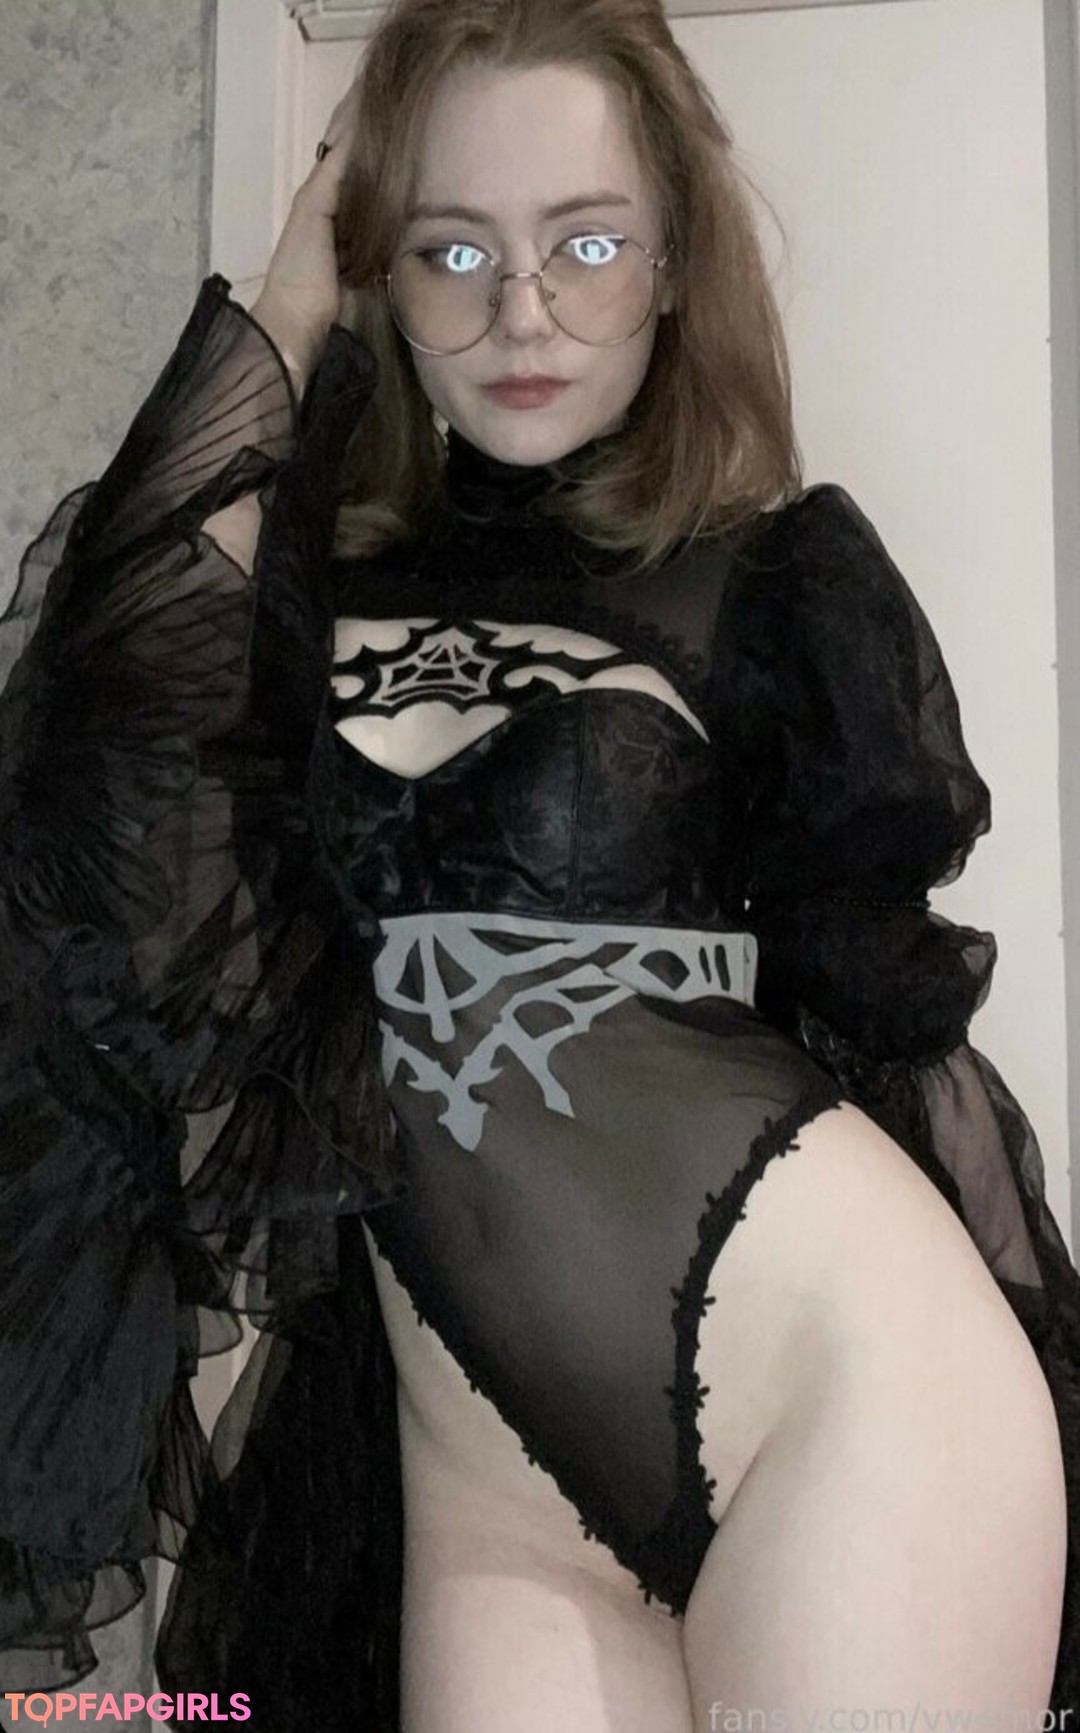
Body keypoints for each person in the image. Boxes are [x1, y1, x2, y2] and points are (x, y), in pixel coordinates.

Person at [1, 0, 1078, 1727]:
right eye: (453, 249)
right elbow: (94, 803)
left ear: (673, 263)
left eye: (585, 243)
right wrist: (286, 302)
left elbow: (879, 1019)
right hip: (485, 1480)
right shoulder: (294, 599)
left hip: (840, 1371)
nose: (523, 310)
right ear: (382, 266)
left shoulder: (767, 581)